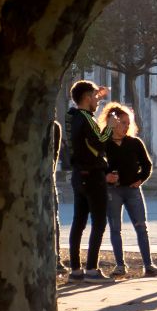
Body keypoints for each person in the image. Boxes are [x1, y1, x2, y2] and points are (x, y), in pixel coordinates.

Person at [100, 104, 157, 278]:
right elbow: (96, 164)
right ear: (112, 123)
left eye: (128, 123)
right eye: (122, 122)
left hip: (133, 190)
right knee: (115, 229)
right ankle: (120, 265)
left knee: (141, 227)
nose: (126, 126)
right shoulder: (104, 144)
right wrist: (106, 176)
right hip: (113, 191)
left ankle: (148, 265)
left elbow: (147, 165)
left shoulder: (135, 143)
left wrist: (140, 179)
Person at [63, 80, 113, 280]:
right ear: (85, 98)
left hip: (78, 175)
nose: (98, 101)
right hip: (93, 176)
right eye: (94, 96)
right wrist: (109, 127)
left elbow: (86, 139)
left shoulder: (72, 117)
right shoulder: (87, 119)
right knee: (99, 222)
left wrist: (97, 94)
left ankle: (75, 269)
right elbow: (99, 143)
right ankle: (92, 267)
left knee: (78, 222)